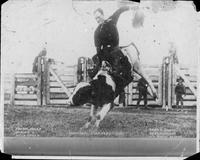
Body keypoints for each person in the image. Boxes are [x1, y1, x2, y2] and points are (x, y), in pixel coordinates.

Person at [91, 6, 133, 95]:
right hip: (105, 53)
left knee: (125, 68)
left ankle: (121, 90)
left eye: (98, 17)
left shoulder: (111, 20)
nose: (97, 19)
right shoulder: (97, 31)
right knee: (95, 71)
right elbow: (98, 48)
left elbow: (119, 11)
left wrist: (130, 8)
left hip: (115, 50)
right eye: (95, 18)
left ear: (103, 15)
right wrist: (102, 61)